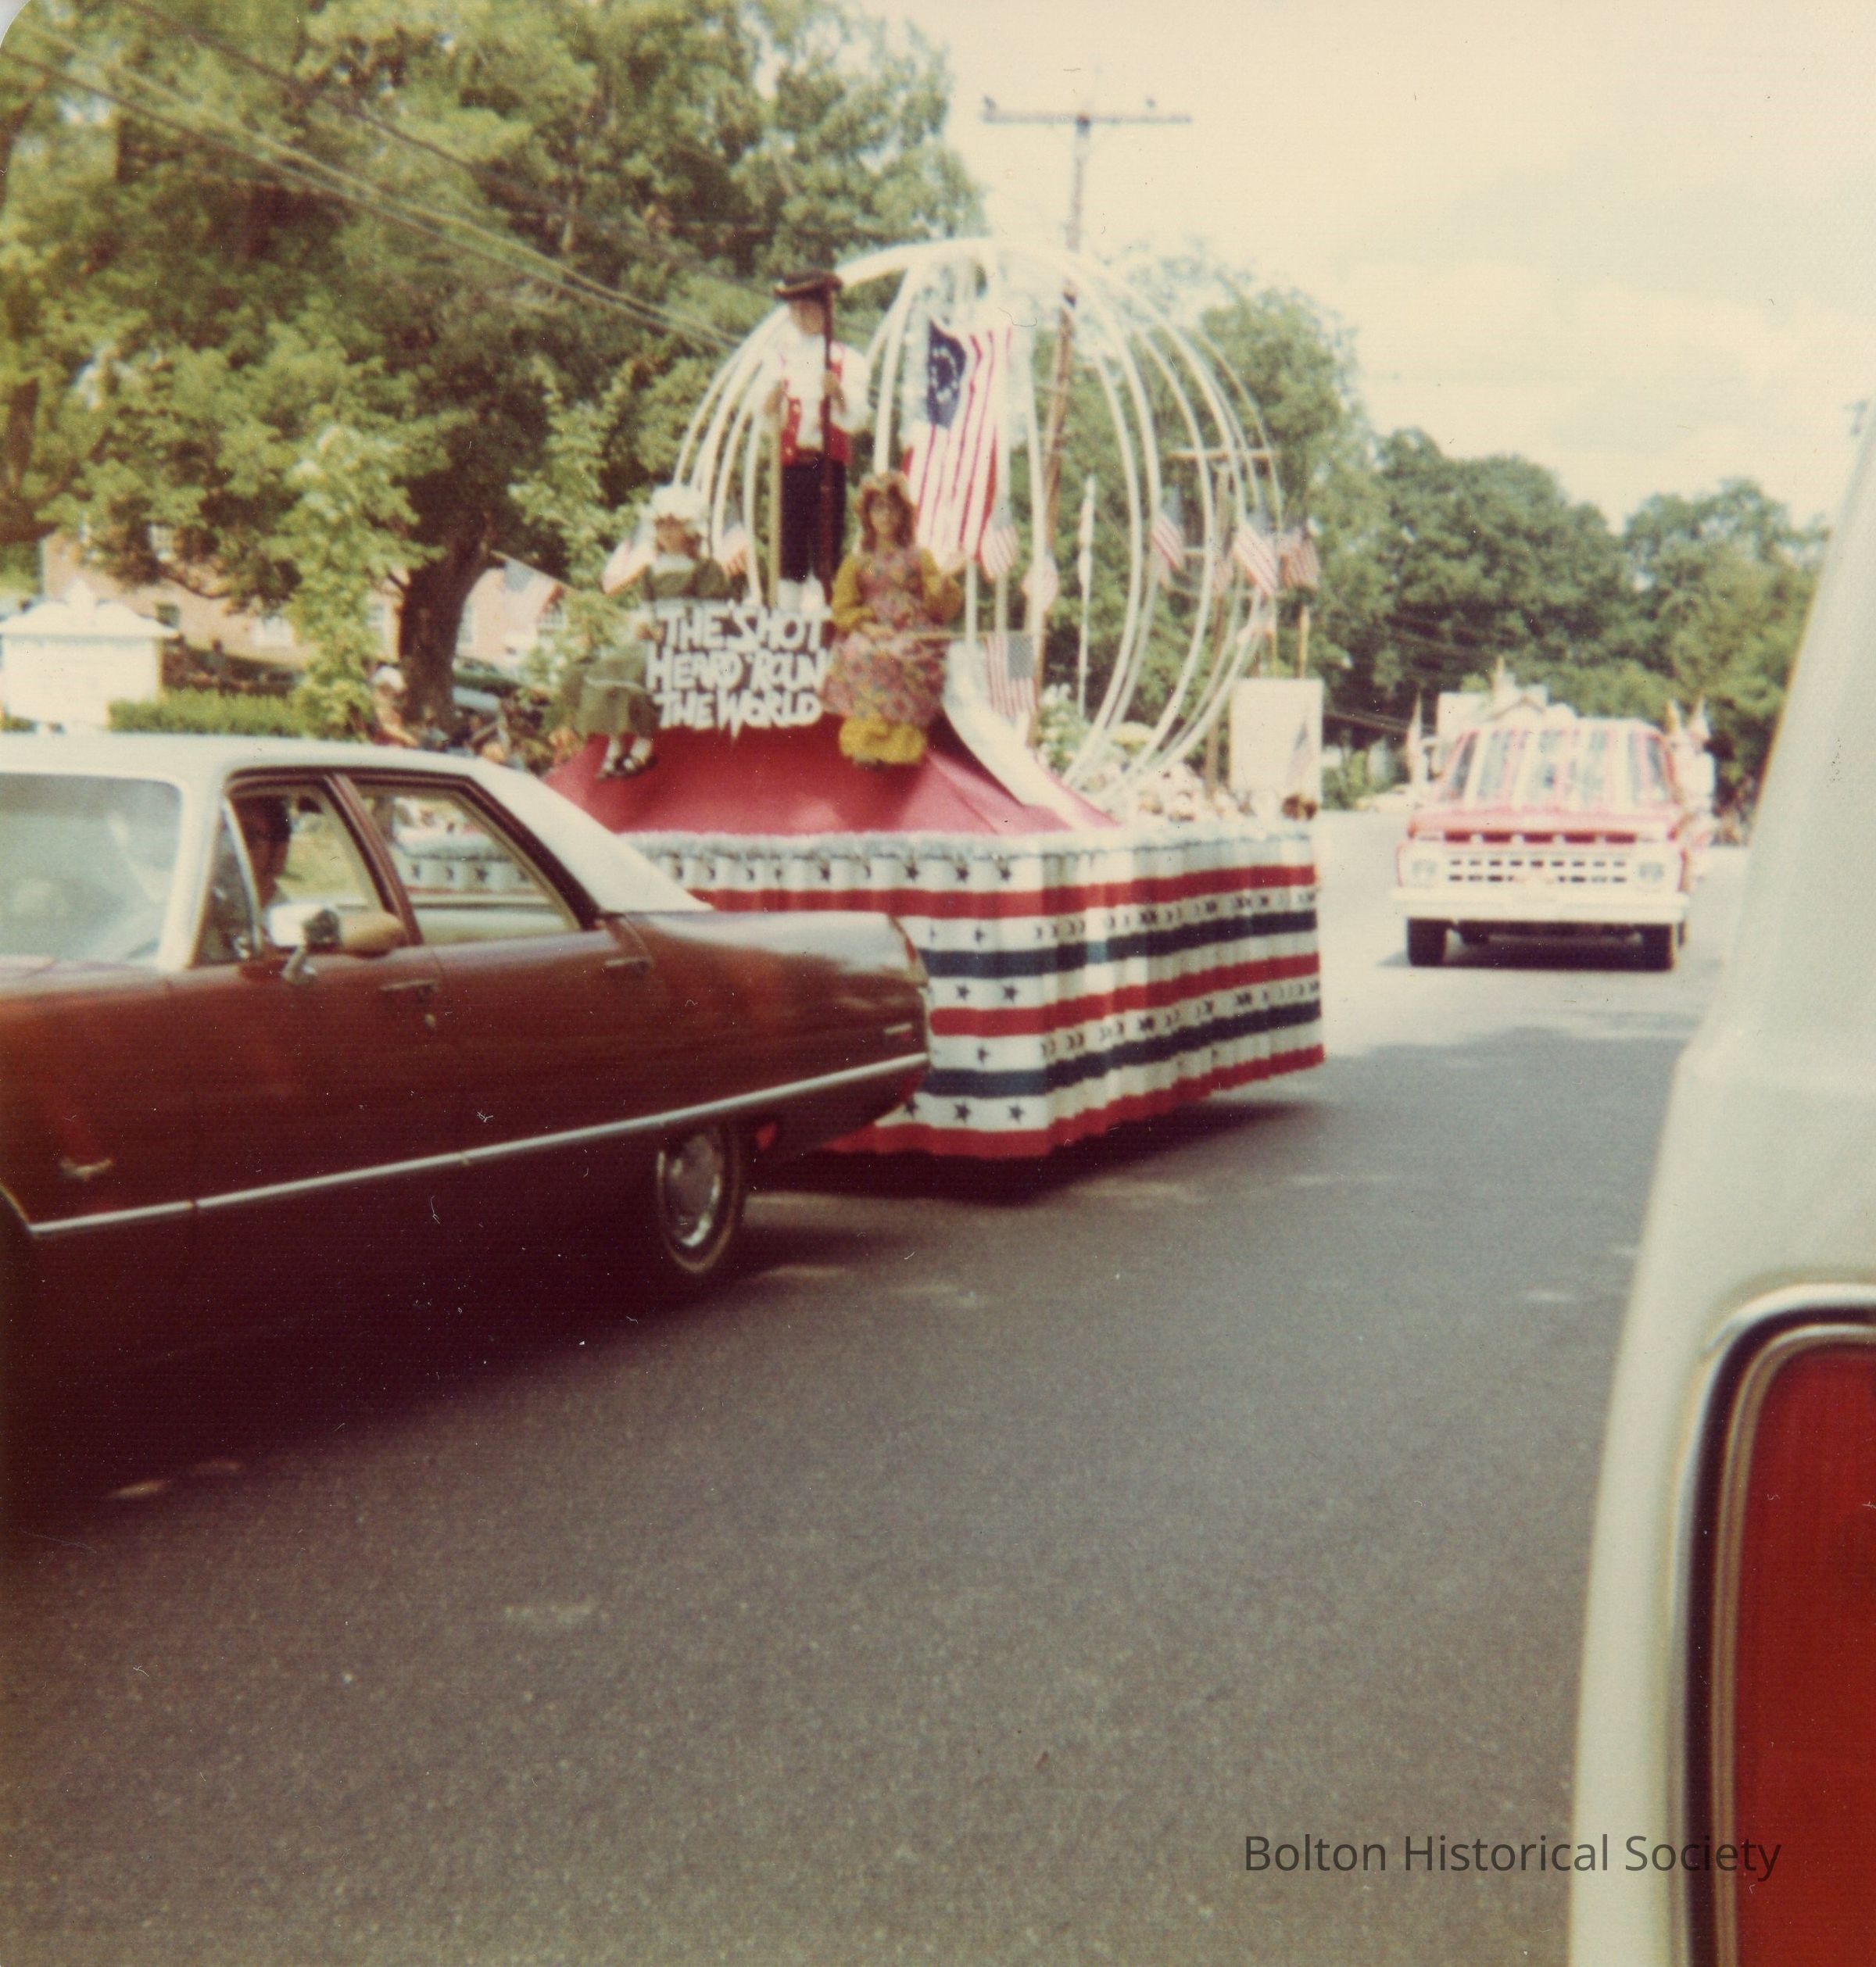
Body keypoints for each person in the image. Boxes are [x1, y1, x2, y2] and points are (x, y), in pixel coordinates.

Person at [553, 485, 729, 778]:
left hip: (688, 642)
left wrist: (675, 631)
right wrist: (645, 626)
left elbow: (712, 614)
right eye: (661, 526)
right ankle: (615, 743)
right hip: (655, 638)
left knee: (641, 668)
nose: (667, 533)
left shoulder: (705, 569)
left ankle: (644, 744)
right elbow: (647, 610)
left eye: (674, 526)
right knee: (612, 663)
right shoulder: (651, 571)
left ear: (690, 529)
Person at [823, 471, 963, 767]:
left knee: (902, 655)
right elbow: (843, 607)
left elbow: (940, 606)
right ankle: (866, 745)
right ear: (868, 515)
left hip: (912, 630)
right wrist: (868, 627)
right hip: (873, 630)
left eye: (893, 508)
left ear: (903, 514)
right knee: (861, 653)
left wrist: (941, 582)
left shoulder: (920, 557)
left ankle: (898, 748)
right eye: (879, 508)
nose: (886, 516)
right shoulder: (857, 561)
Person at [759, 269, 871, 610]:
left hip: (827, 467)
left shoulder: (847, 360)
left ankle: (825, 612)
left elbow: (856, 418)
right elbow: (766, 418)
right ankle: (787, 615)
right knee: (789, 546)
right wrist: (771, 401)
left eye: (809, 309)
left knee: (826, 545)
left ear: (827, 310)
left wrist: (838, 395)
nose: (802, 316)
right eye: (795, 310)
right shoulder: (780, 359)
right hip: (792, 465)